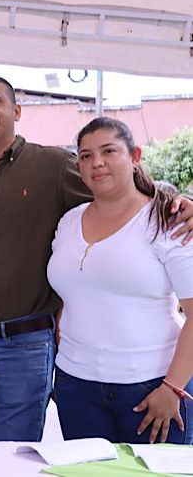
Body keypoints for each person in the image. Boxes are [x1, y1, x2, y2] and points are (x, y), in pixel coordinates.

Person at [0, 74, 193, 442]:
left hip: (29, 345)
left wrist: (180, 202)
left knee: (13, 455)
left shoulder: (53, 166)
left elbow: (115, 193)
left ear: (16, 111)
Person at [48, 117, 193, 444]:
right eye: (86, 156)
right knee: (88, 469)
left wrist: (172, 388)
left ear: (135, 156)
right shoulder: (68, 222)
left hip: (152, 387)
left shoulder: (168, 220)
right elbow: (68, 298)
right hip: (76, 385)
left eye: (109, 151)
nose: (97, 162)